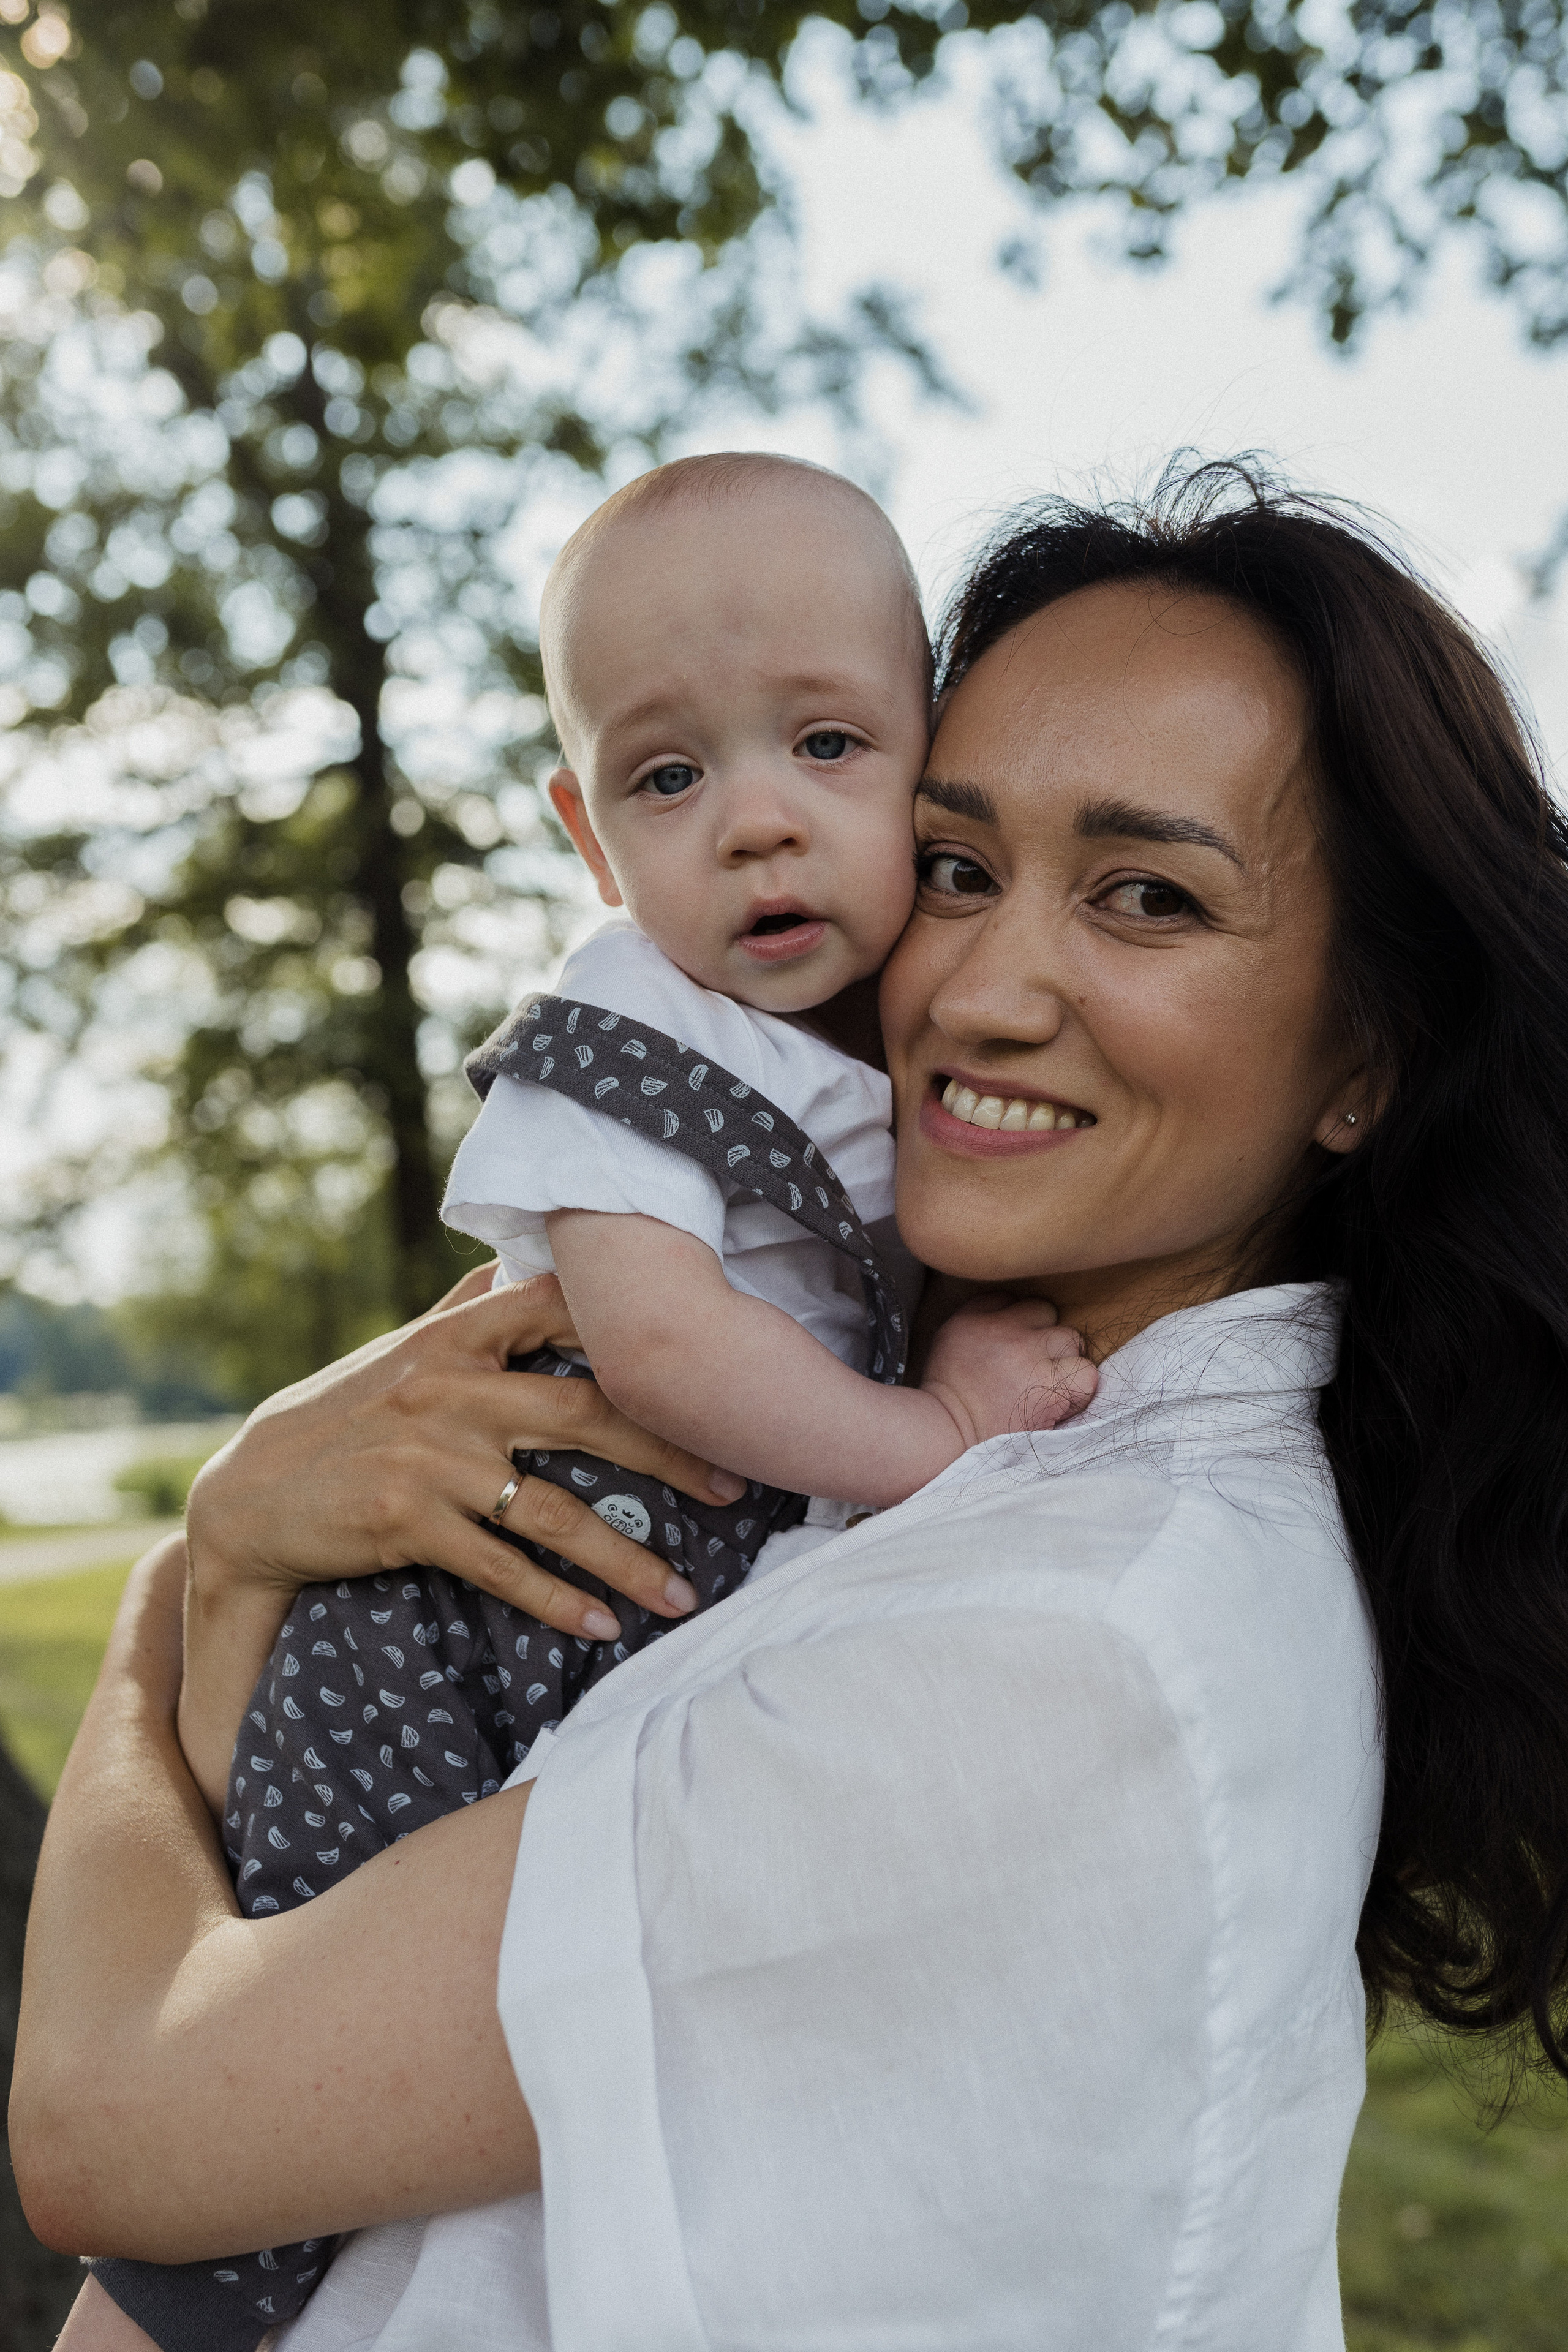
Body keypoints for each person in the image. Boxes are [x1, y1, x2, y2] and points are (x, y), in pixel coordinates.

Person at [21, 464, 1568, 2352]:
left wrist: (181, 1586)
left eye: (1148, 896)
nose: (982, 989)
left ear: (1366, 1058)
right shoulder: (983, 1443)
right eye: (957, 866)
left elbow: (112, 2129)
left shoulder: (1062, 1633)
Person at [85, 450, 1095, 2352]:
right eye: (667, 778)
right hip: (454, 1638)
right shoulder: (626, 1027)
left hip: (608, 1629)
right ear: (587, 834)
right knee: (239, 2169)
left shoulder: (889, 1043)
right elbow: (666, 1351)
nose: (758, 823)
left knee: (438, 2130)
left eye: (826, 745)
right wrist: (941, 1440)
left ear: (929, 752)